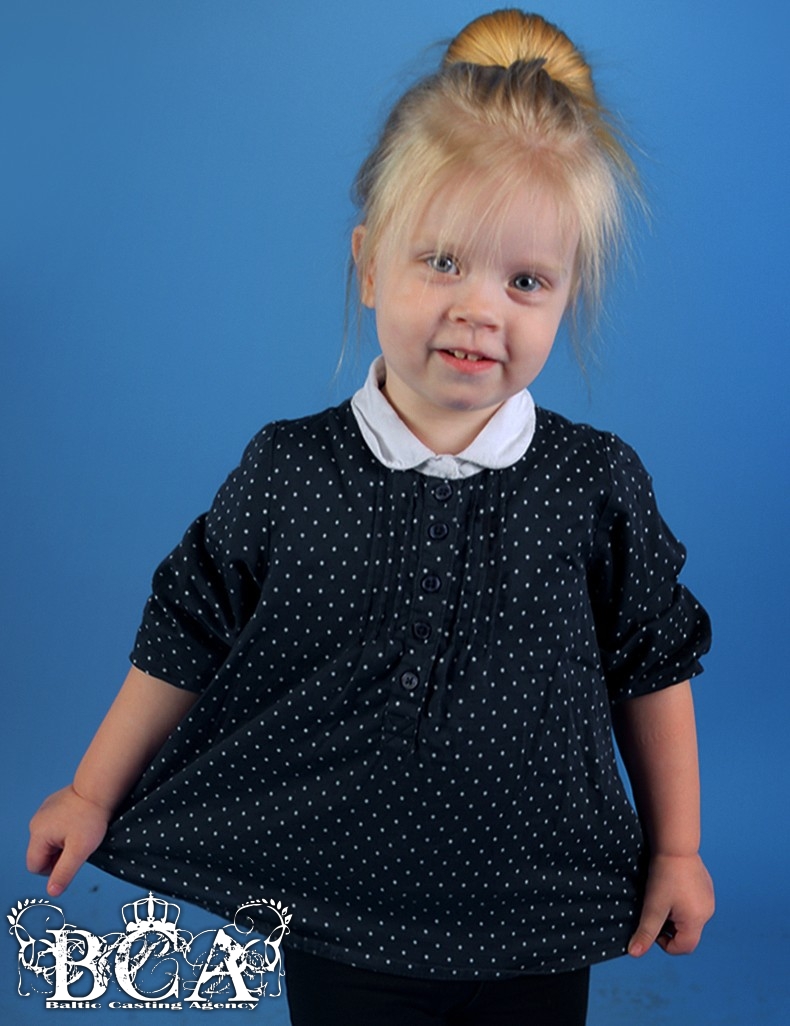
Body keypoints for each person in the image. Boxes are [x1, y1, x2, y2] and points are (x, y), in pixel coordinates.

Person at [27, 9, 714, 1025]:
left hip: (534, 909)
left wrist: (677, 849)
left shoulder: (592, 482)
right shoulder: (290, 470)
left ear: (568, 293)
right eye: (442, 261)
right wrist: (91, 792)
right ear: (368, 261)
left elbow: (650, 664)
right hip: (337, 904)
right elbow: (187, 628)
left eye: (526, 280)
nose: (480, 309)